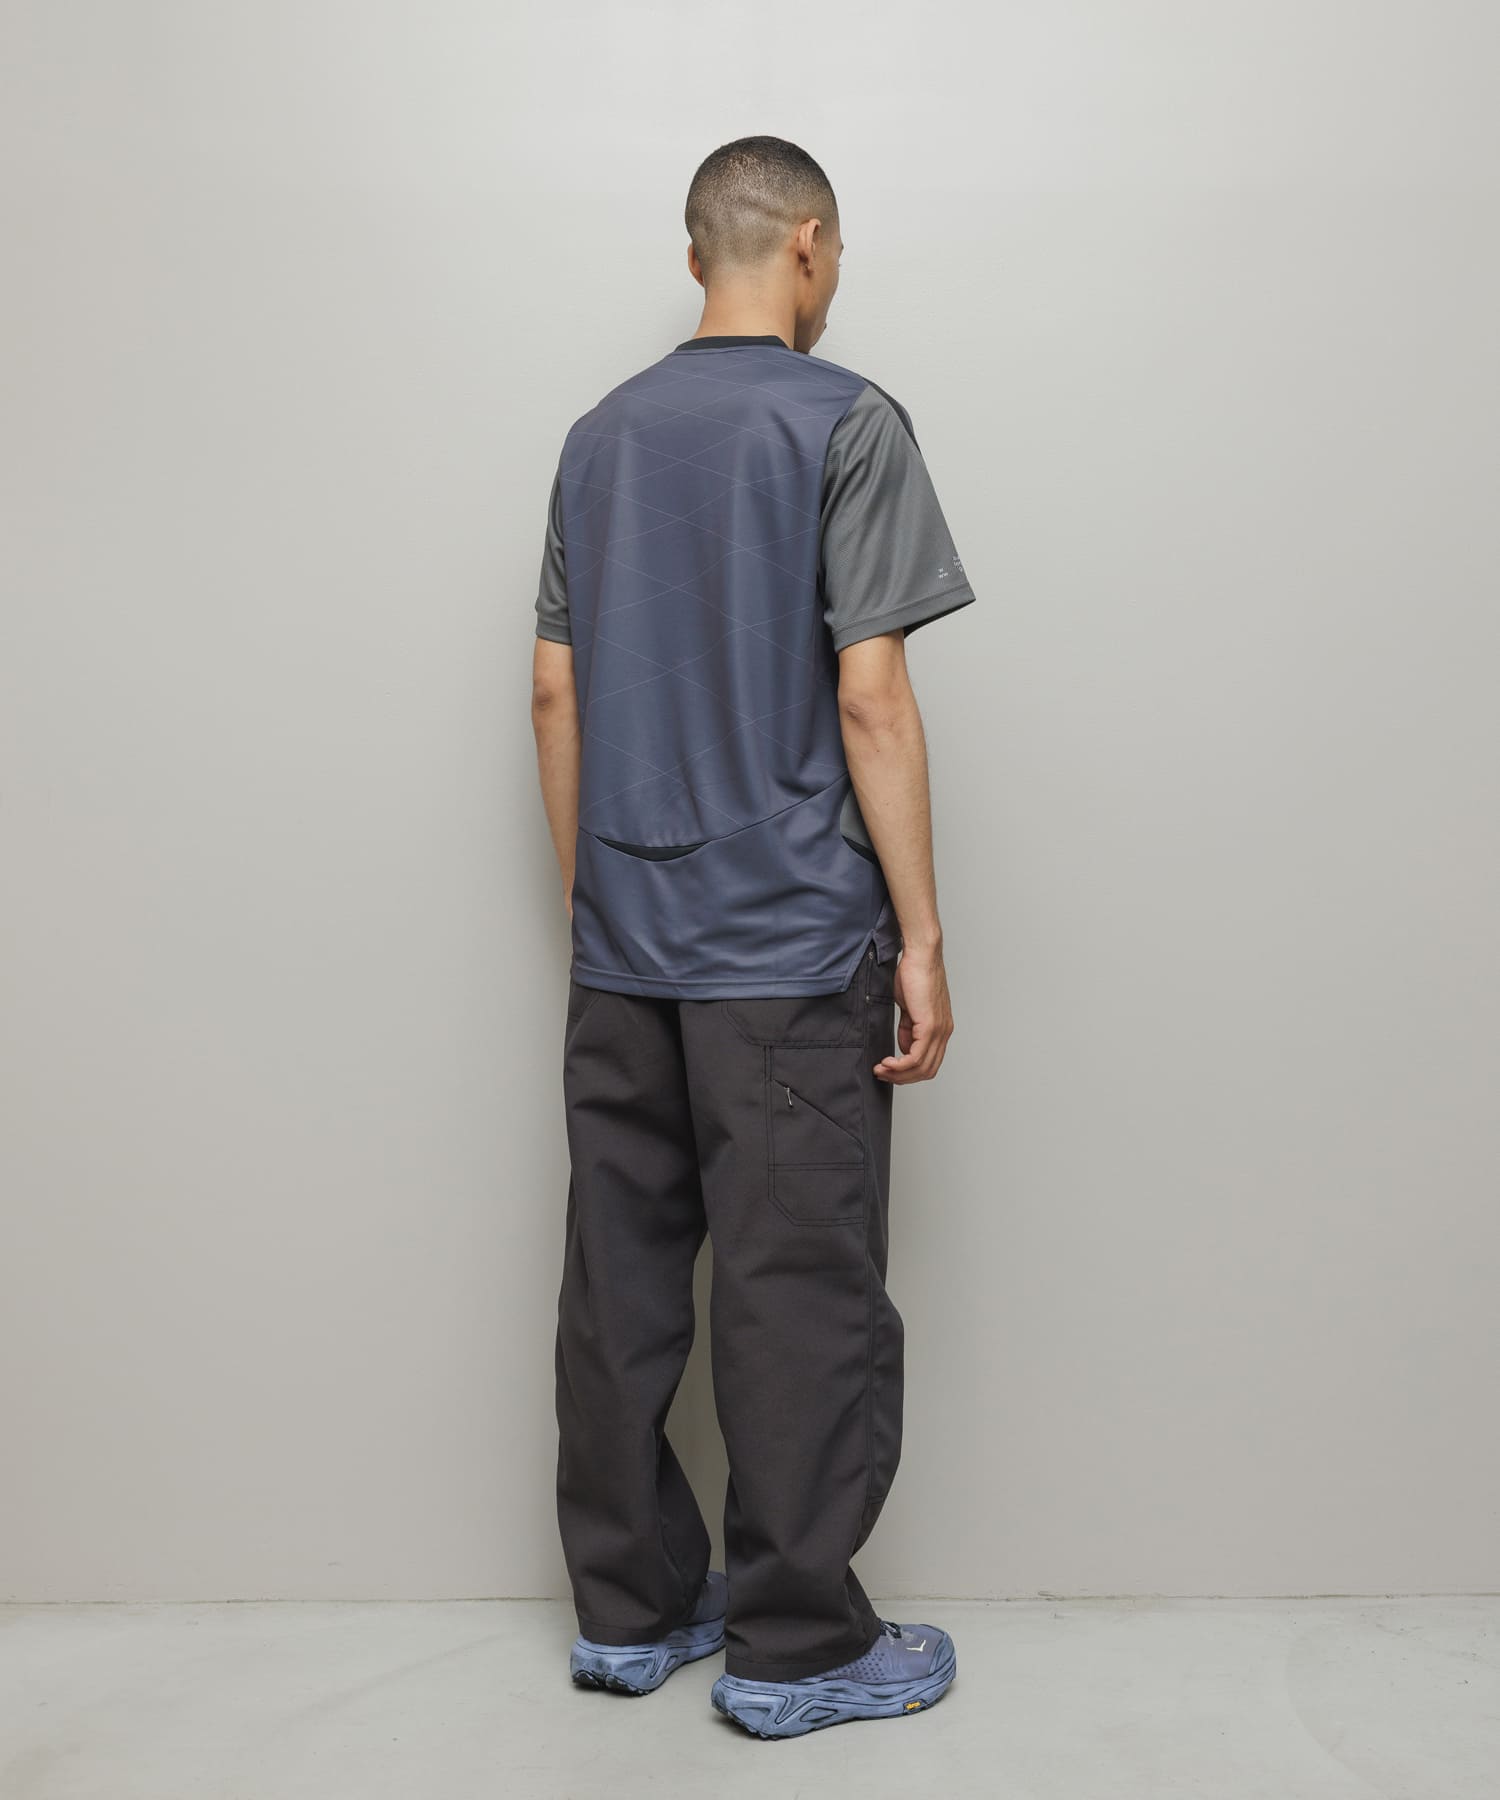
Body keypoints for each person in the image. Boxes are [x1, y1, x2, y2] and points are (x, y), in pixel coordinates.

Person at [529, 135, 976, 1740]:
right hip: (786, 952)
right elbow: (872, 695)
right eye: (834, 255)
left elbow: (556, 691)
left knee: (620, 1283)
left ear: (693, 252)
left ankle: (632, 1613)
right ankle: (797, 1647)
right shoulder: (845, 421)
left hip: (625, 950)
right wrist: (921, 937)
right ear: (808, 242)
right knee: (797, 1294)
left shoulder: (598, 437)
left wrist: (600, 906)